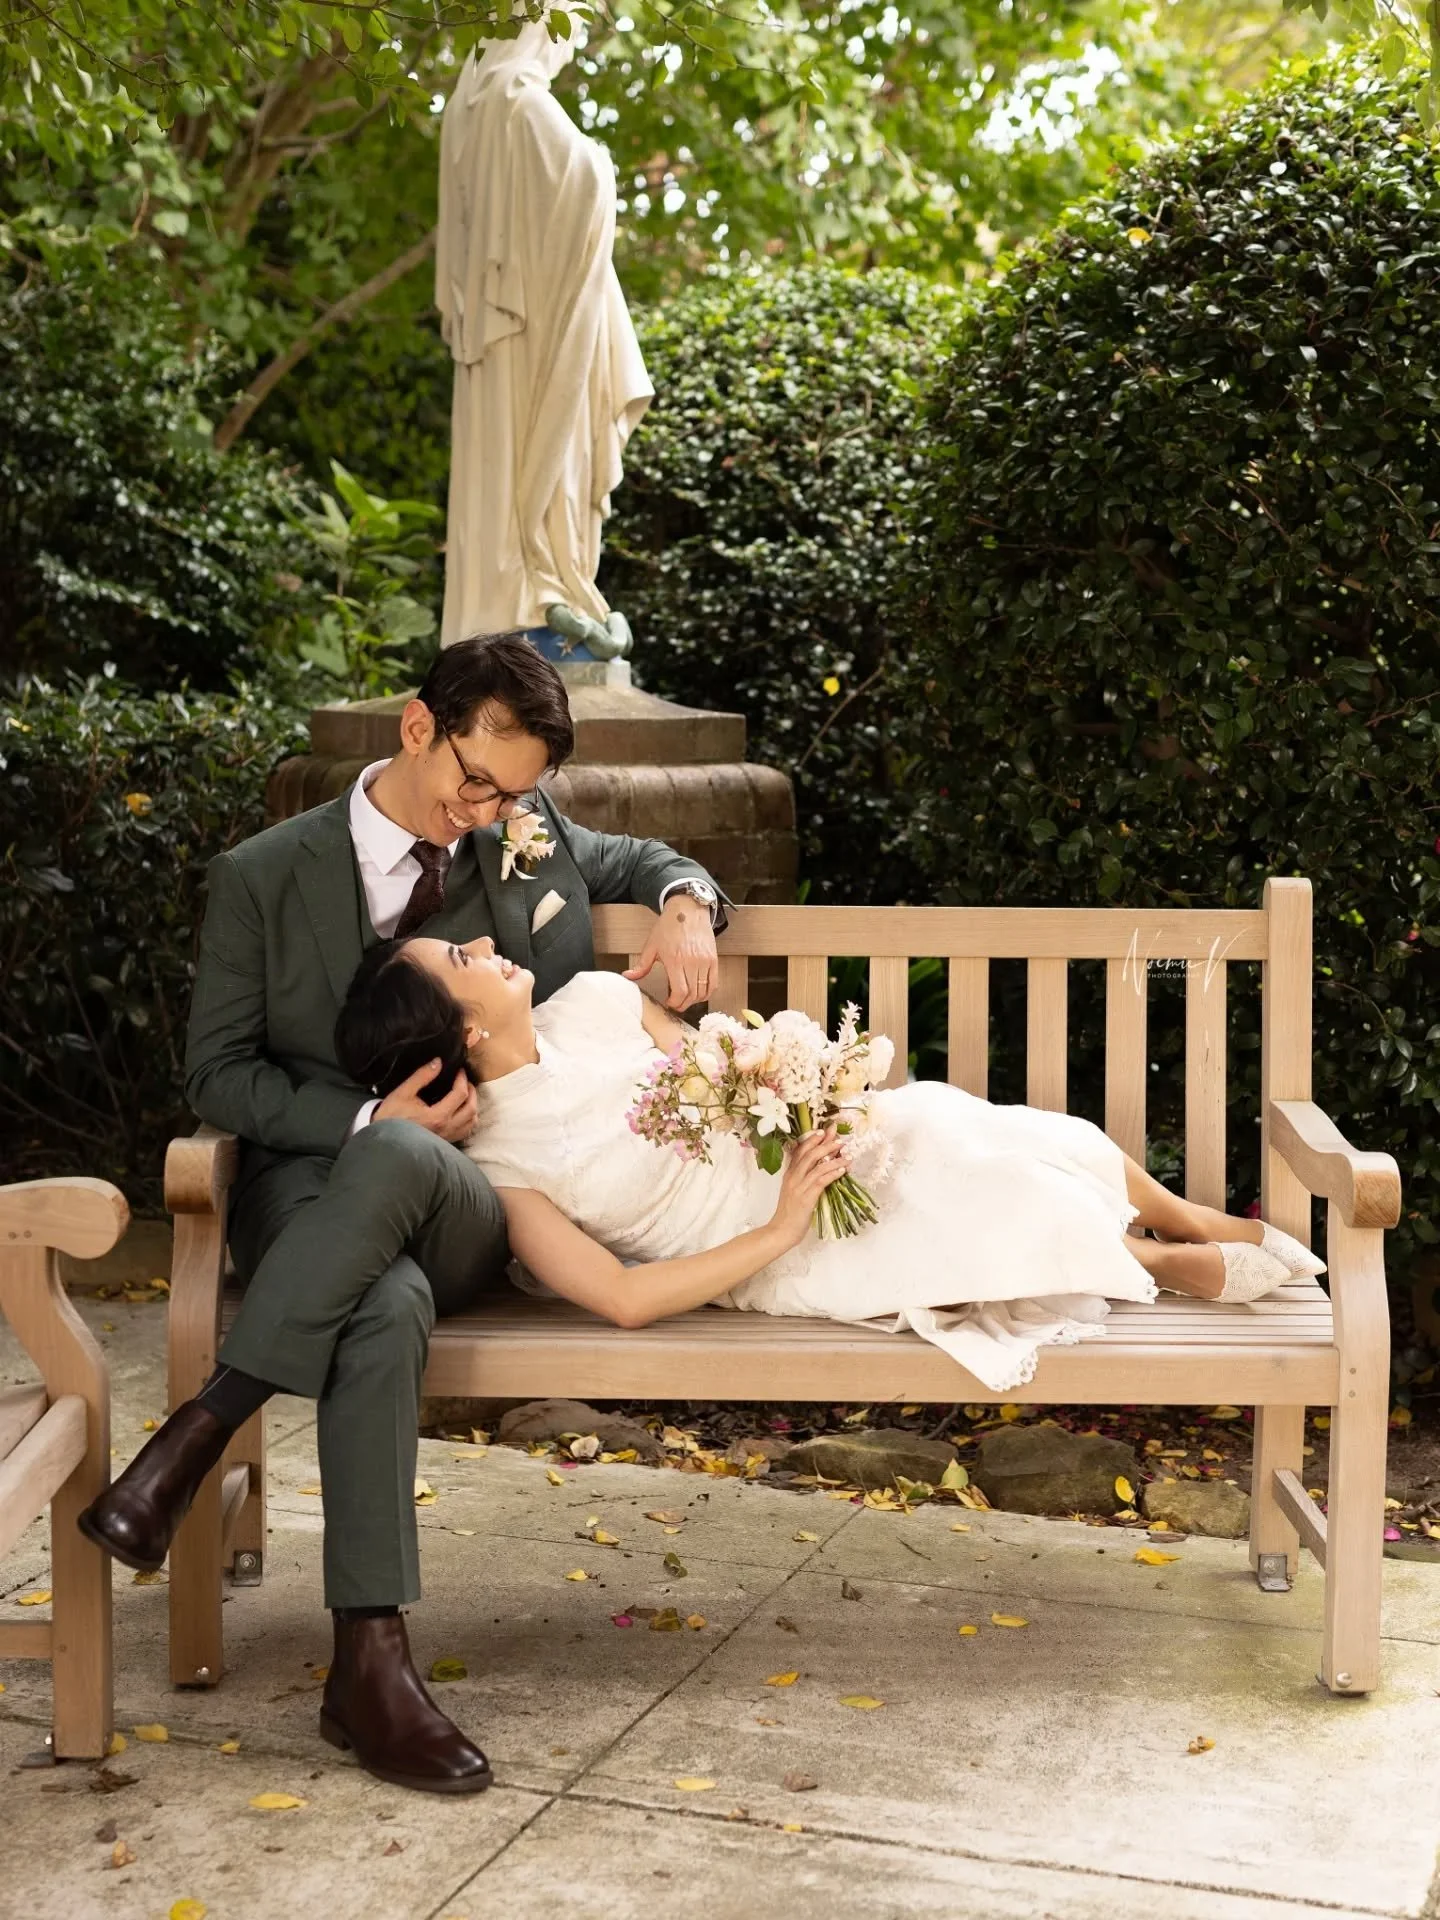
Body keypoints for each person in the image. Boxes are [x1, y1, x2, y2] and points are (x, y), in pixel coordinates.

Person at [78, 632, 727, 1797]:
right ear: (417, 728)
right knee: (383, 1307)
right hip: (319, 1187)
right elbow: (217, 1077)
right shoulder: (264, 875)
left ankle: (196, 1432)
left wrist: (686, 902)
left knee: (408, 1228)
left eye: (516, 795)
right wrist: (371, 1121)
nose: (488, 813)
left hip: (492, 1202)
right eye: (476, 781)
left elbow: (645, 853)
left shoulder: (520, 838)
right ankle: (368, 1667)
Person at [332, 943, 1327, 1399]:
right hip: (768, 1246)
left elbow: (718, 1052)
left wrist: (795, 1081)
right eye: (465, 955)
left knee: (954, 1125)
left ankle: (1176, 1216)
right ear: (464, 1027)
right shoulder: (505, 1167)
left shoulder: (593, 1000)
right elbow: (626, 1300)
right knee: (970, 1207)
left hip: (810, 1139)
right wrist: (782, 1225)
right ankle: (1151, 1262)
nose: (491, 942)